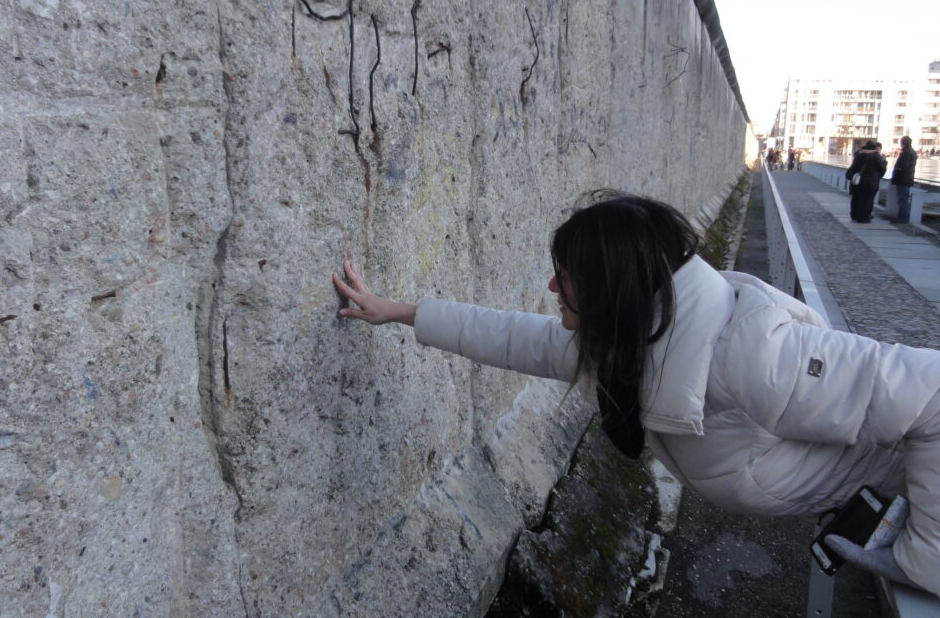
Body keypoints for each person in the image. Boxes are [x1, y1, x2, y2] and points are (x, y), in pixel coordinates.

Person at [332, 190, 940, 597]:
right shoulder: (639, 339)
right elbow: (519, 338)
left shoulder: (749, 352)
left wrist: (921, 557)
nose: (549, 286)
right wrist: (399, 312)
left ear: (609, 285)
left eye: (563, 275)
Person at [845, 140, 887, 223]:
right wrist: (884, 162)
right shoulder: (876, 156)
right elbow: (882, 169)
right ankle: (864, 217)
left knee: (858, 199)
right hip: (871, 182)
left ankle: (855, 215)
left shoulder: (859, 155)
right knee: (868, 200)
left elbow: (853, 168)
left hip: (859, 181)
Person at [891, 136, 918, 224]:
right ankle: (903, 217)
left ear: (904, 143)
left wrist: (895, 176)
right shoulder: (912, 152)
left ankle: (903, 218)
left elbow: (902, 167)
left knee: (903, 199)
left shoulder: (906, 153)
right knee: (904, 198)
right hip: (907, 179)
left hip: (903, 179)